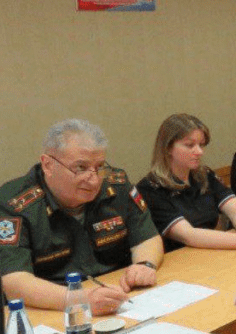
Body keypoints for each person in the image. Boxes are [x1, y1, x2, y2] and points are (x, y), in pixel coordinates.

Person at [0, 119, 163, 316]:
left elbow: (147, 238)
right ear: (48, 165)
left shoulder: (116, 184)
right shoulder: (14, 204)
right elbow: (14, 282)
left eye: (99, 166)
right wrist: (79, 300)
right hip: (54, 308)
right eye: (80, 168)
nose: (93, 179)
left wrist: (144, 265)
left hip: (119, 297)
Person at [137, 114, 236, 253]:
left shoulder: (204, 175)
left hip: (210, 251)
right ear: (168, 148)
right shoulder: (149, 188)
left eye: (201, 145)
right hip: (178, 258)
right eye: (190, 145)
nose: (199, 152)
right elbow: (188, 235)